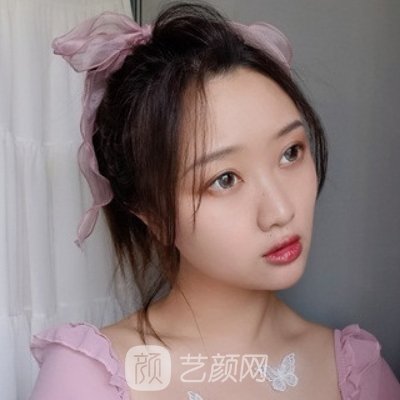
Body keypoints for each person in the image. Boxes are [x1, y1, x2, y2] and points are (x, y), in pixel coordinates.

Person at [28, 2, 400, 399]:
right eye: (225, 179)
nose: (280, 211)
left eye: (290, 153)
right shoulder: (89, 379)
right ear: (151, 213)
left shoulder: (356, 373)